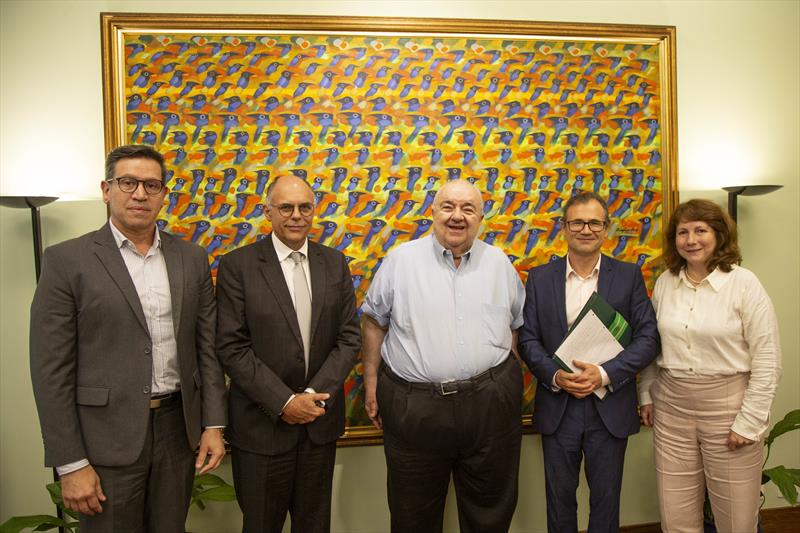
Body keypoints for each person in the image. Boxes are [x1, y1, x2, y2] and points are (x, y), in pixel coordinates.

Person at [29, 144, 227, 531]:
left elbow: (208, 350)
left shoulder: (191, 258)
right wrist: (70, 463)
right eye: (128, 182)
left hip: (176, 432)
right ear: (107, 190)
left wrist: (213, 425)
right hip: (104, 439)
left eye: (151, 185)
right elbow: (50, 370)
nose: (140, 194)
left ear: (164, 195)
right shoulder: (67, 261)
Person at [361, 179, 526, 533]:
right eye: (448, 207)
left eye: (468, 209)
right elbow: (373, 321)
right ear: (433, 212)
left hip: (489, 407)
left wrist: (505, 386)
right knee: (413, 515)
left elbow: (514, 325)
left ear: (481, 217)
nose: (457, 216)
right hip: (416, 409)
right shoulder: (401, 261)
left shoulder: (499, 263)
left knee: (490, 512)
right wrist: (371, 381)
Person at [215, 174, 360, 533]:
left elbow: (348, 338)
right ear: (268, 212)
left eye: (304, 207)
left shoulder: (334, 262)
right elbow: (231, 346)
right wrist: (284, 402)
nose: (296, 215)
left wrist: (311, 396)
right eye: (286, 207)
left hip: (318, 427)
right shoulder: (238, 266)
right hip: (261, 430)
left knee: (315, 526)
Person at [518, 191, 660, 533]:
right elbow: (527, 339)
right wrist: (556, 375)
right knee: (559, 502)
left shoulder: (628, 275)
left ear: (606, 229)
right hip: (558, 407)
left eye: (594, 223)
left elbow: (649, 338)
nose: (586, 229)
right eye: (578, 222)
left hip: (609, 408)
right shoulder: (539, 278)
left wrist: (605, 374)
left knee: (606, 504)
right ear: (564, 228)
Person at [639, 199, 781, 532]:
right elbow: (653, 343)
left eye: (700, 230)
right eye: (683, 232)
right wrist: (646, 394)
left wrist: (749, 422)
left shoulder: (744, 283)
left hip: (728, 408)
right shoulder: (666, 282)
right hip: (671, 409)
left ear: (719, 235)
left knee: (736, 520)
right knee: (675, 516)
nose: (691, 240)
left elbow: (768, 359)